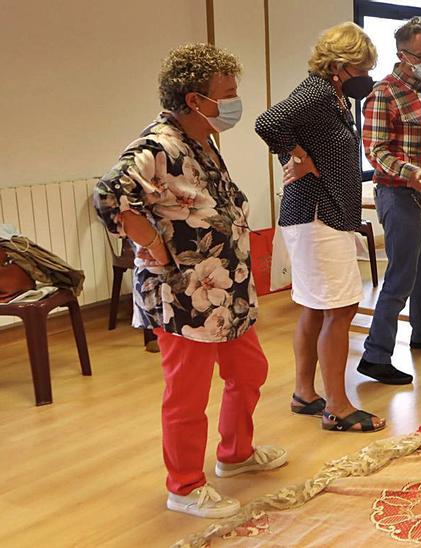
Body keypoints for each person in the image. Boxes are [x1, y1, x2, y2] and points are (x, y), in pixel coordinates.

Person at [95, 43, 285, 518]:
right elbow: (108, 196)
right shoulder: (157, 144)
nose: (234, 101)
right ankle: (183, 486)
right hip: (183, 295)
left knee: (249, 372)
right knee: (188, 393)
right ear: (195, 98)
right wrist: (154, 246)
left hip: (227, 290)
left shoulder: (200, 139)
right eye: (227, 92)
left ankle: (235, 454)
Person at [255, 22, 385, 432]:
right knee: (340, 307)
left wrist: (300, 156)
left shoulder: (332, 97)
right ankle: (338, 407)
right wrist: (297, 155)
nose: (366, 75)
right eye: (361, 66)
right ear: (339, 65)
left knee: (315, 306)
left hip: (322, 213)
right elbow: (268, 122)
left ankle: (304, 394)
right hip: (317, 214)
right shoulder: (314, 93)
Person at [358, 16, 421, 385]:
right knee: (401, 275)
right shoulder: (384, 93)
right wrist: (408, 171)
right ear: (402, 54)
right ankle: (375, 355)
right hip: (397, 192)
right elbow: (374, 150)